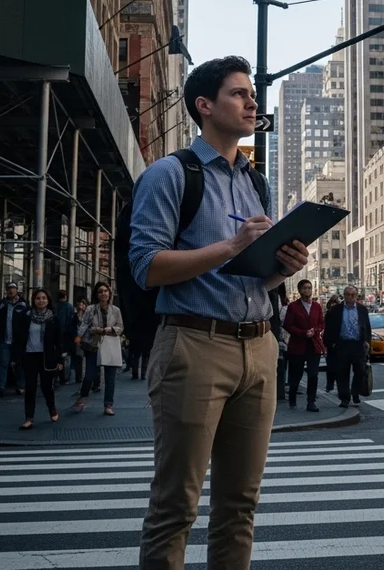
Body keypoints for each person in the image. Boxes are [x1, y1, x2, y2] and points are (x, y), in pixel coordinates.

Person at [128, 55, 309, 569]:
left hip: (259, 346)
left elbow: (257, 277)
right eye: (238, 93)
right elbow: (146, 266)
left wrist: (283, 268)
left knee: (239, 507)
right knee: (175, 507)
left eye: (252, 94)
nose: (252, 101)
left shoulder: (256, 182)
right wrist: (232, 245)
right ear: (204, 107)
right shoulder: (169, 175)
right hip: (193, 345)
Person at [13, 288, 65, 429]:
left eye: (43, 298)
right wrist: (17, 355)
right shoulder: (27, 316)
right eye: (38, 298)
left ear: (48, 301)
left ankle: (52, 407)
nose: (41, 301)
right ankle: (29, 417)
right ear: (33, 300)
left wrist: (60, 360)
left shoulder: (53, 318)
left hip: (46, 356)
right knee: (30, 387)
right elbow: (19, 337)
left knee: (46, 386)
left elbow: (58, 341)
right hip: (30, 355)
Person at [73, 282, 124, 415]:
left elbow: (120, 327)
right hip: (93, 345)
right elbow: (84, 324)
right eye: (100, 291)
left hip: (110, 344)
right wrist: (80, 336)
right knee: (89, 374)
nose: (103, 294)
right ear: (96, 294)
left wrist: (109, 329)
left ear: (109, 293)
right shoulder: (91, 309)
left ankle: (108, 405)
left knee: (110, 377)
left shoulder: (116, 310)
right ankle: (82, 397)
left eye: (105, 291)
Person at [324, 286, 372, 408]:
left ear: (356, 296)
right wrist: (331, 343)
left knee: (360, 371)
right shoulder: (336, 310)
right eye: (347, 294)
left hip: (358, 345)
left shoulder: (362, 309)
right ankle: (344, 397)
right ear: (344, 296)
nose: (350, 297)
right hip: (342, 345)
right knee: (342, 373)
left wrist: (367, 341)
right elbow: (328, 327)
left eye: (353, 295)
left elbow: (367, 326)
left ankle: (355, 392)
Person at [283, 279, 325, 412]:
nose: (308, 290)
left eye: (309, 288)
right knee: (296, 375)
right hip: (298, 345)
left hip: (314, 344)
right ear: (300, 290)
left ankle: (311, 402)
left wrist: (315, 331)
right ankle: (292, 399)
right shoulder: (293, 306)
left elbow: (321, 323)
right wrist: (303, 333)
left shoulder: (317, 306)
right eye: (305, 288)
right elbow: (288, 325)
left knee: (313, 375)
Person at [0, 282, 27, 397]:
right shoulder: (0, 305)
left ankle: (21, 386)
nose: (11, 291)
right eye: (9, 289)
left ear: (17, 290)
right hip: (3, 339)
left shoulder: (23, 305)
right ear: (6, 290)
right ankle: (1, 387)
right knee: (3, 362)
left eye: (13, 288)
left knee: (20, 363)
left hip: (18, 340)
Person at [53, 290, 78, 387]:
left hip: (56, 334)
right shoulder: (70, 307)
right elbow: (72, 321)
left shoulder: (55, 306)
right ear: (66, 296)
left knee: (57, 355)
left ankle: (56, 377)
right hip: (67, 335)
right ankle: (65, 377)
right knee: (66, 356)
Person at [323, 294, 342, 394]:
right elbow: (327, 330)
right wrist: (328, 343)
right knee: (331, 366)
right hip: (331, 344)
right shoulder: (329, 314)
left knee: (340, 368)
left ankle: (339, 387)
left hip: (340, 344)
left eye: (336, 304)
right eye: (332, 304)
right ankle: (330, 384)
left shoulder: (341, 315)